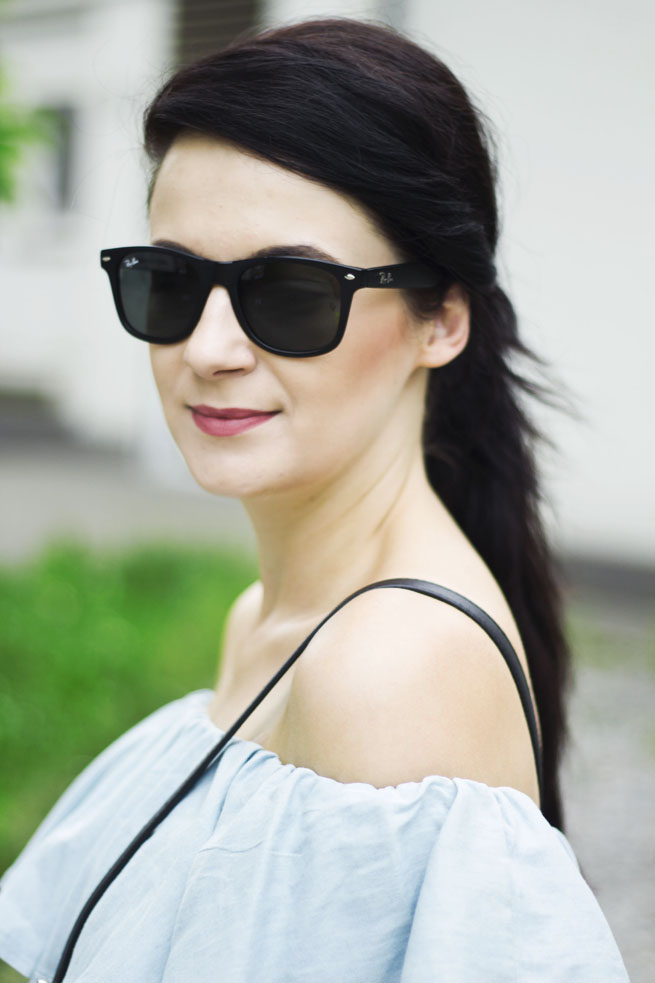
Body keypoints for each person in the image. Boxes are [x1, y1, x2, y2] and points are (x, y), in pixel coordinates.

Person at [0, 17, 628, 982]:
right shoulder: (272, 617)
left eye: (291, 292)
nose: (207, 348)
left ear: (440, 320)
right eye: (169, 281)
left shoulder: (385, 673)